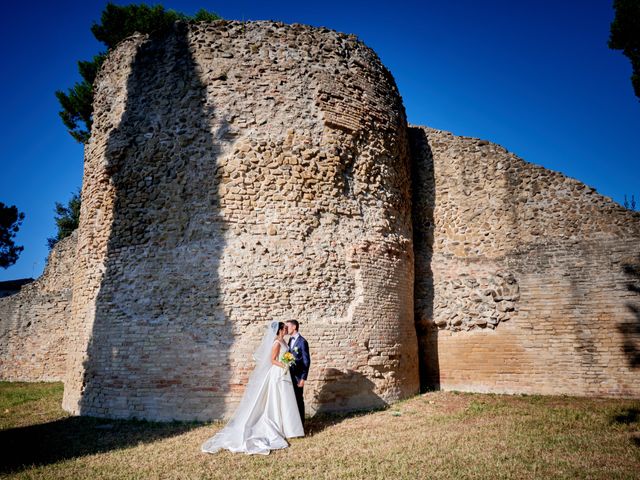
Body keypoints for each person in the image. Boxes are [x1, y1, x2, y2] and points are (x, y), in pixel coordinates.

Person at [201, 321, 304, 455]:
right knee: (276, 399)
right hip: (277, 373)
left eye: (286, 328)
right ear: (279, 330)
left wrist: (287, 361)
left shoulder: (284, 342)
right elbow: (272, 360)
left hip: (283, 373)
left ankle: (287, 427)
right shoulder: (276, 343)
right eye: (284, 328)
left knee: (284, 399)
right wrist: (285, 364)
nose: (286, 330)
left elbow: (285, 356)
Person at [286, 320, 310, 423]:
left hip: (298, 377)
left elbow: (306, 361)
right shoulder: (290, 340)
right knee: (291, 400)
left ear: (294, 327)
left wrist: (303, 378)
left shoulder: (302, 341)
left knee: (299, 400)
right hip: (289, 375)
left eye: (288, 326)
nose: (286, 328)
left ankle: (301, 425)